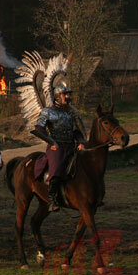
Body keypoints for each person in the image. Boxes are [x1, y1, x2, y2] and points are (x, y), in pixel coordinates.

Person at [31, 81, 85, 212]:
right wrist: (51, 142)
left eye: (68, 94)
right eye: (64, 94)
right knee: (56, 169)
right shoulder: (48, 112)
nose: (67, 97)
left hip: (71, 145)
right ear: (57, 96)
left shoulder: (71, 113)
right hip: (56, 147)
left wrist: (81, 142)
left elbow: (76, 131)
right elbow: (39, 129)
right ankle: (51, 200)